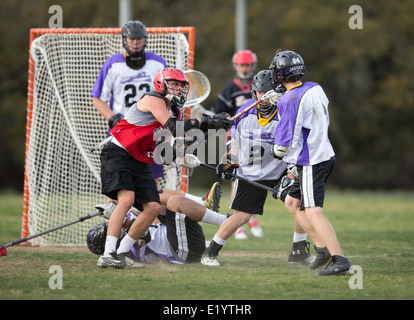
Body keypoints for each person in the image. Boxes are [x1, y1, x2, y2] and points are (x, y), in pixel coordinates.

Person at [96, 67, 233, 268]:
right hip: (120, 153)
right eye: (174, 84)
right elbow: (172, 127)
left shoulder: (174, 110)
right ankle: (108, 254)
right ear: (162, 85)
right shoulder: (154, 100)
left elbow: (167, 147)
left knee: (152, 207)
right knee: (126, 200)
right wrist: (207, 123)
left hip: (140, 160)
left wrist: (185, 153)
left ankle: (123, 252)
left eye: (181, 86)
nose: (178, 89)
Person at [201, 70, 314, 267]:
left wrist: (290, 174)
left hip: (280, 169)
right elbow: (234, 141)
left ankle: (299, 251)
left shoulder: (286, 113)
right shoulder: (245, 112)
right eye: (260, 93)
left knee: (300, 204)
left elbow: (296, 146)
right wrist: (230, 160)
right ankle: (210, 252)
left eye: (268, 93)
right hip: (251, 170)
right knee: (242, 216)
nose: (263, 98)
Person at [268, 50, 352, 276]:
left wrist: (281, 105)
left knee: (314, 212)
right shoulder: (316, 87)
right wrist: (283, 101)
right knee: (292, 204)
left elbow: (282, 146)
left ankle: (340, 259)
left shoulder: (289, 100)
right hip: (324, 153)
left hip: (310, 160)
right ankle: (322, 249)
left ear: (279, 75)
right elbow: (305, 108)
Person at [91, 20, 166, 187]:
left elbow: (166, 96)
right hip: (121, 130)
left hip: (149, 132)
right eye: (132, 39)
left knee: (151, 184)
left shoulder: (158, 63)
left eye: (139, 39)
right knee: (115, 182)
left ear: (144, 39)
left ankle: (152, 213)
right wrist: (113, 118)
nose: (135, 43)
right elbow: (97, 98)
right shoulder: (113, 64)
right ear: (125, 40)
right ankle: (114, 213)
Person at [88, 183, 227, 266]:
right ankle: (225, 221)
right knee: (174, 202)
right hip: (181, 251)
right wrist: (124, 221)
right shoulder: (128, 251)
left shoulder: (127, 220)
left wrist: (132, 206)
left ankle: (205, 203)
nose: (113, 228)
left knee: (156, 195)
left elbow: (152, 214)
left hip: (177, 233)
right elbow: (143, 235)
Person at [214, 49, 263, 239]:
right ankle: (240, 223)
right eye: (242, 65)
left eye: (248, 64)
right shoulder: (229, 89)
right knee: (237, 176)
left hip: (258, 137)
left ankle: (252, 219)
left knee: (255, 175)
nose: (245, 68)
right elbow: (221, 114)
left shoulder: (261, 85)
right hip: (237, 137)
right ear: (236, 66)